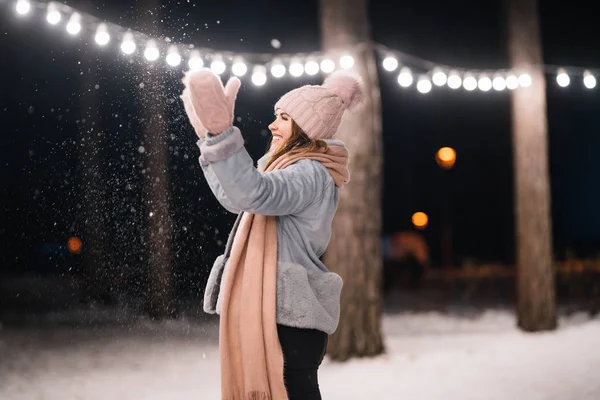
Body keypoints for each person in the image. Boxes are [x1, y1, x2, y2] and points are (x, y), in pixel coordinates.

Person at [180, 67, 364, 400]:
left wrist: (222, 136)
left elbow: (253, 193)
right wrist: (211, 143)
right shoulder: (288, 168)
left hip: (289, 323)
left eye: (283, 118)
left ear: (304, 128)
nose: (272, 125)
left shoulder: (309, 172)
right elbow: (237, 198)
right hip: (281, 315)